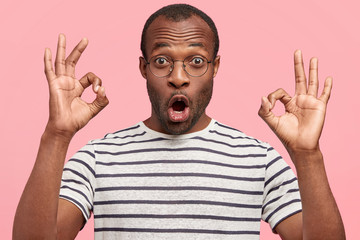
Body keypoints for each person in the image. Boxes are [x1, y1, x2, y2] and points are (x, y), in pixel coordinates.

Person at [13, 4, 345, 240]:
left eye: (196, 61)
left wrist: (308, 155)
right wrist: (56, 135)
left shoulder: (258, 159)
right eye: (162, 61)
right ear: (143, 69)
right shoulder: (99, 157)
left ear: (215, 68)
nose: (178, 77)